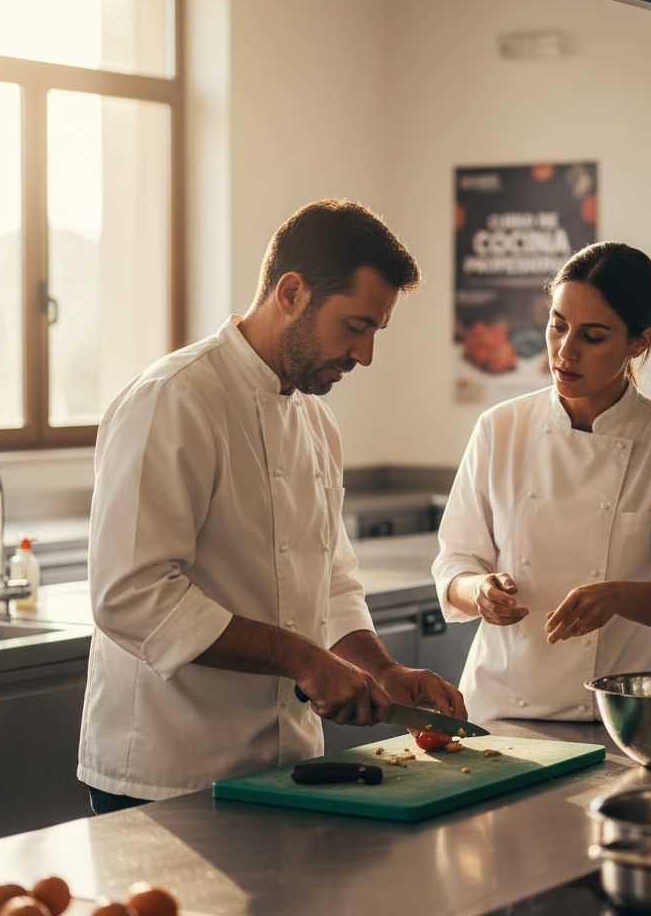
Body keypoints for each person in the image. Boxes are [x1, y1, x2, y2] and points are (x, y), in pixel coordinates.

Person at [79, 199, 466, 813]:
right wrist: (304, 659)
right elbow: (130, 594)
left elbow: (332, 583)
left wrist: (383, 671)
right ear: (291, 293)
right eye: (355, 326)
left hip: (290, 767)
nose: (364, 355)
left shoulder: (317, 420)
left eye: (374, 332)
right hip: (169, 774)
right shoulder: (173, 401)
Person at [431, 242, 651, 725]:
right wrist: (478, 590)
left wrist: (616, 596)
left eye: (593, 336)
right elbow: (455, 561)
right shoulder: (499, 428)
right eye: (557, 325)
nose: (565, 351)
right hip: (500, 711)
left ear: (639, 342)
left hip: (620, 714)